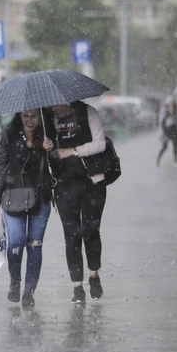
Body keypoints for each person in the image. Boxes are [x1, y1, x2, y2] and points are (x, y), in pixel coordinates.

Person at [0, 109, 54, 308]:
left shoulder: (47, 134)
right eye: (26, 116)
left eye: (34, 116)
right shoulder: (9, 135)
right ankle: (15, 281)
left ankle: (29, 292)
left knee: (34, 245)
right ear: (19, 116)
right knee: (15, 241)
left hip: (40, 196)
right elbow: (1, 168)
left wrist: (51, 151)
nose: (30, 120)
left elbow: (58, 167)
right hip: (13, 196)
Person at [48, 100, 108, 304]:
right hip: (64, 185)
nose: (54, 108)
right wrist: (48, 147)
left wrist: (73, 151)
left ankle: (94, 275)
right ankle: (77, 288)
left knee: (91, 231)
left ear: (68, 101)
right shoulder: (49, 118)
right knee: (71, 235)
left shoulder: (88, 112)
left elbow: (101, 144)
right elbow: (47, 153)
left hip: (92, 182)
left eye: (57, 105)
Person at [157, 97, 177, 167]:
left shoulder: (176, 112)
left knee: (175, 146)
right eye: (169, 105)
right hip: (166, 132)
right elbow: (161, 125)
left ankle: (175, 160)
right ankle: (158, 161)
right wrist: (162, 134)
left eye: (172, 105)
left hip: (174, 132)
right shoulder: (164, 115)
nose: (170, 107)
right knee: (164, 147)